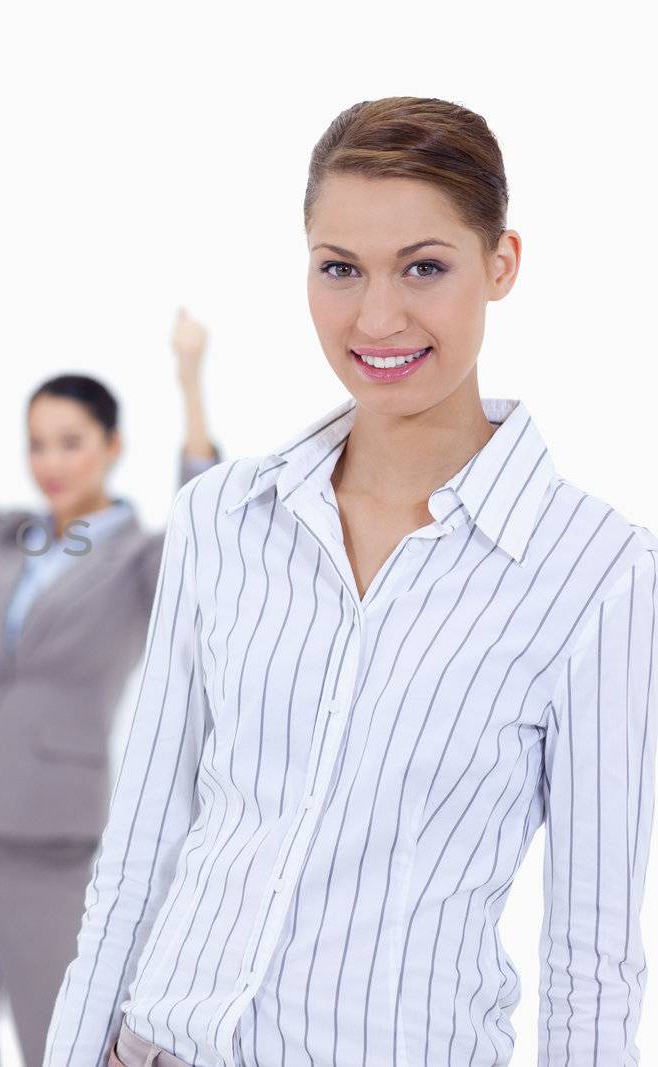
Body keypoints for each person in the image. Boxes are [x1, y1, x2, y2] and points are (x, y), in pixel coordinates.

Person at [44, 96, 658, 1067]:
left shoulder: (598, 574)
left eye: (423, 266)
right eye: (340, 268)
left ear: (500, 264)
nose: (376, 317)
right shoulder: (222, 519)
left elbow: (589, 961)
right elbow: (137, 856)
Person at [0, 310, 219, 1066]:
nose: (50, 462)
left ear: (112, 447)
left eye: (70, 442)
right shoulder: (6, 536)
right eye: (37, 444)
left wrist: (190, 384)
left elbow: (207, 528)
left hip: (45, 839)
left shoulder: (139, 563)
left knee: (62, 1046)